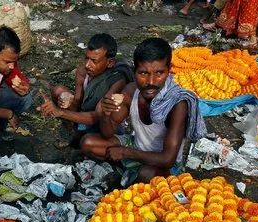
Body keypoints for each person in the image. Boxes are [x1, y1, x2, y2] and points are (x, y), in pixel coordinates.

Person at [80, 38, 207, 185]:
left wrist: (125, 153)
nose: (151, 81)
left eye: (159, 73)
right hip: (137, 146)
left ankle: (130, 174)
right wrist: (106, 115)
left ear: (169, 70)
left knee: (146, 174)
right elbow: (108, 133)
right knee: (88, 143)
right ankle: (129, 173)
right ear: (134, 70)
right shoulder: (130, 91)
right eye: (143, 73)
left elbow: (167, 159)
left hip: (161, 163)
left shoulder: (177, 103)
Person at [36, 33, 133, 148]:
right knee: (59, 91)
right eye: (86, 58)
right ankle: (75, 133)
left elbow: (98, 116)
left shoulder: (117, 80)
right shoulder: (83, 71)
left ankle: (84, 139)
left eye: (94, 61)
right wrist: (68, 100)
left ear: (110, 62)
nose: (87, 65)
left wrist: (61, 112)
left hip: (105, 126)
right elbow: (78, 102)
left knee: (88, 143)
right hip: (84, 116)